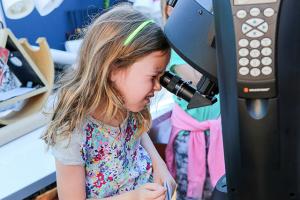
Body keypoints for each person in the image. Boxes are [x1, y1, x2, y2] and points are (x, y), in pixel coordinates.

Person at [42, 4, 175, 200]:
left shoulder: (128, 103)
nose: (158, 86)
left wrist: (159, 164)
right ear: (113, 69)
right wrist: (134, 197)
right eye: (153, 77)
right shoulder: (72, 130)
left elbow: (138, 132)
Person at [160, 1, 225, 200]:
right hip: (189, 135)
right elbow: (198, 80)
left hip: (217, 132)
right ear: (169, 9)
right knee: (190, 190)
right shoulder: (171, 52)